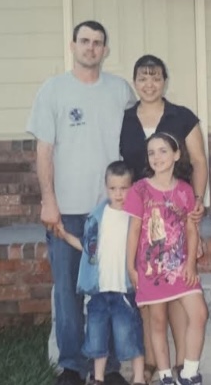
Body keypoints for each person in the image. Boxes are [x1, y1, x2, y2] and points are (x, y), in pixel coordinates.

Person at [26, 20, 136, 385]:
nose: (91, 48)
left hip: (113, 211)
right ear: (72, 46)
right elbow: (44, 150)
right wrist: (48, 201)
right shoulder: (53, 91)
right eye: (85, 41)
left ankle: (114, 367)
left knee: (115, 290)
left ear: (105, 50)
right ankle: (72, 365)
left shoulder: (121, 91)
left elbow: (137, 144)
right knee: (69, 292)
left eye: (98, 43)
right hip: (67, 211)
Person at [119, 55, 208, 382]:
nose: (149, 84)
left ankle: (187, 366)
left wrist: (197, 203)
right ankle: (158, 366)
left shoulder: (181, 116)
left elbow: (199, 161)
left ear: (164, 81)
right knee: (152, 305)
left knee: (180, 298)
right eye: (142, 78)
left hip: (178, 212)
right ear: (135, 82)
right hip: (140, 212)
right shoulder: (125, 118)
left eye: (155, 77)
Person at [61, 161, 146, 385]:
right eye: (113, 188)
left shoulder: (135, 217)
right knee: (97, 339)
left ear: (132, 187)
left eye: (123, 188)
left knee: (131, 335)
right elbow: (86, 246)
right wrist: (63, 234)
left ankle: (138, 378)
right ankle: (97, 378)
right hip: (99, 292)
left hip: (123, 291)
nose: (118, 194)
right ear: (106, 187)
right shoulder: (98, 217)